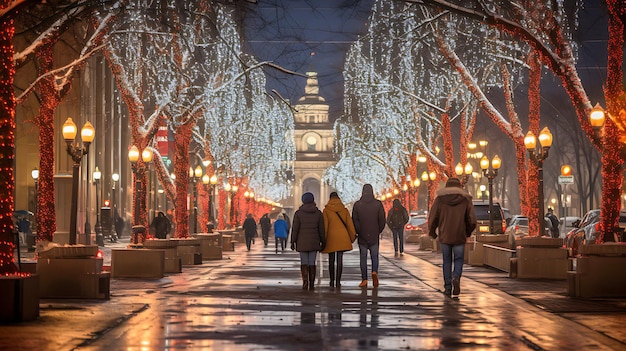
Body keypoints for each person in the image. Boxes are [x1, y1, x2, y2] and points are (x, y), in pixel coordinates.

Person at [428, 177, 477, 297]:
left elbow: (432, 217)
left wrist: (433, 232)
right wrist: (468, 232)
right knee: (459, 259)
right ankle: (456, 276)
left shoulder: (440, 200)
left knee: (447, 261)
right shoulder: (465, 199)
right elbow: (472, 219)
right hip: (459, 235)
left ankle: (448, 286)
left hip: (445, 235)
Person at [352, 184, 386, 288]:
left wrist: (359, 231)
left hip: (362, 235)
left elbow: (354, 220)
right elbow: (382, 220)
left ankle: (364, 279)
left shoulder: (357, 205)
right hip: (374, 235)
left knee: (363, 258)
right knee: (374, 256)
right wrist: (378, 230)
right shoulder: (378, 204)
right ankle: (374, 271)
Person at [291, 192, 325, 291]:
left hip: (302, 242)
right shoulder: (318, 213)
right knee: (312, 262)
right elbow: (321, 229)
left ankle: (305, 281)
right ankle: (312, 283)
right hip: (314, 242)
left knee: (304, 262)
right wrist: (323, 241)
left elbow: (295, 229)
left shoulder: (298, 213)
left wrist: (293, 241)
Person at [322, 192, 357, 288]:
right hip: (342, 237)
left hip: (331, 237)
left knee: (331, 260)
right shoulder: (344, 210)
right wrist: (352, 236)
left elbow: (325, 226)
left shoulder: (326, 210)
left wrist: (323, 238)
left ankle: (331, 280)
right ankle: (338, 281)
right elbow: (349, 224)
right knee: (340, 259)